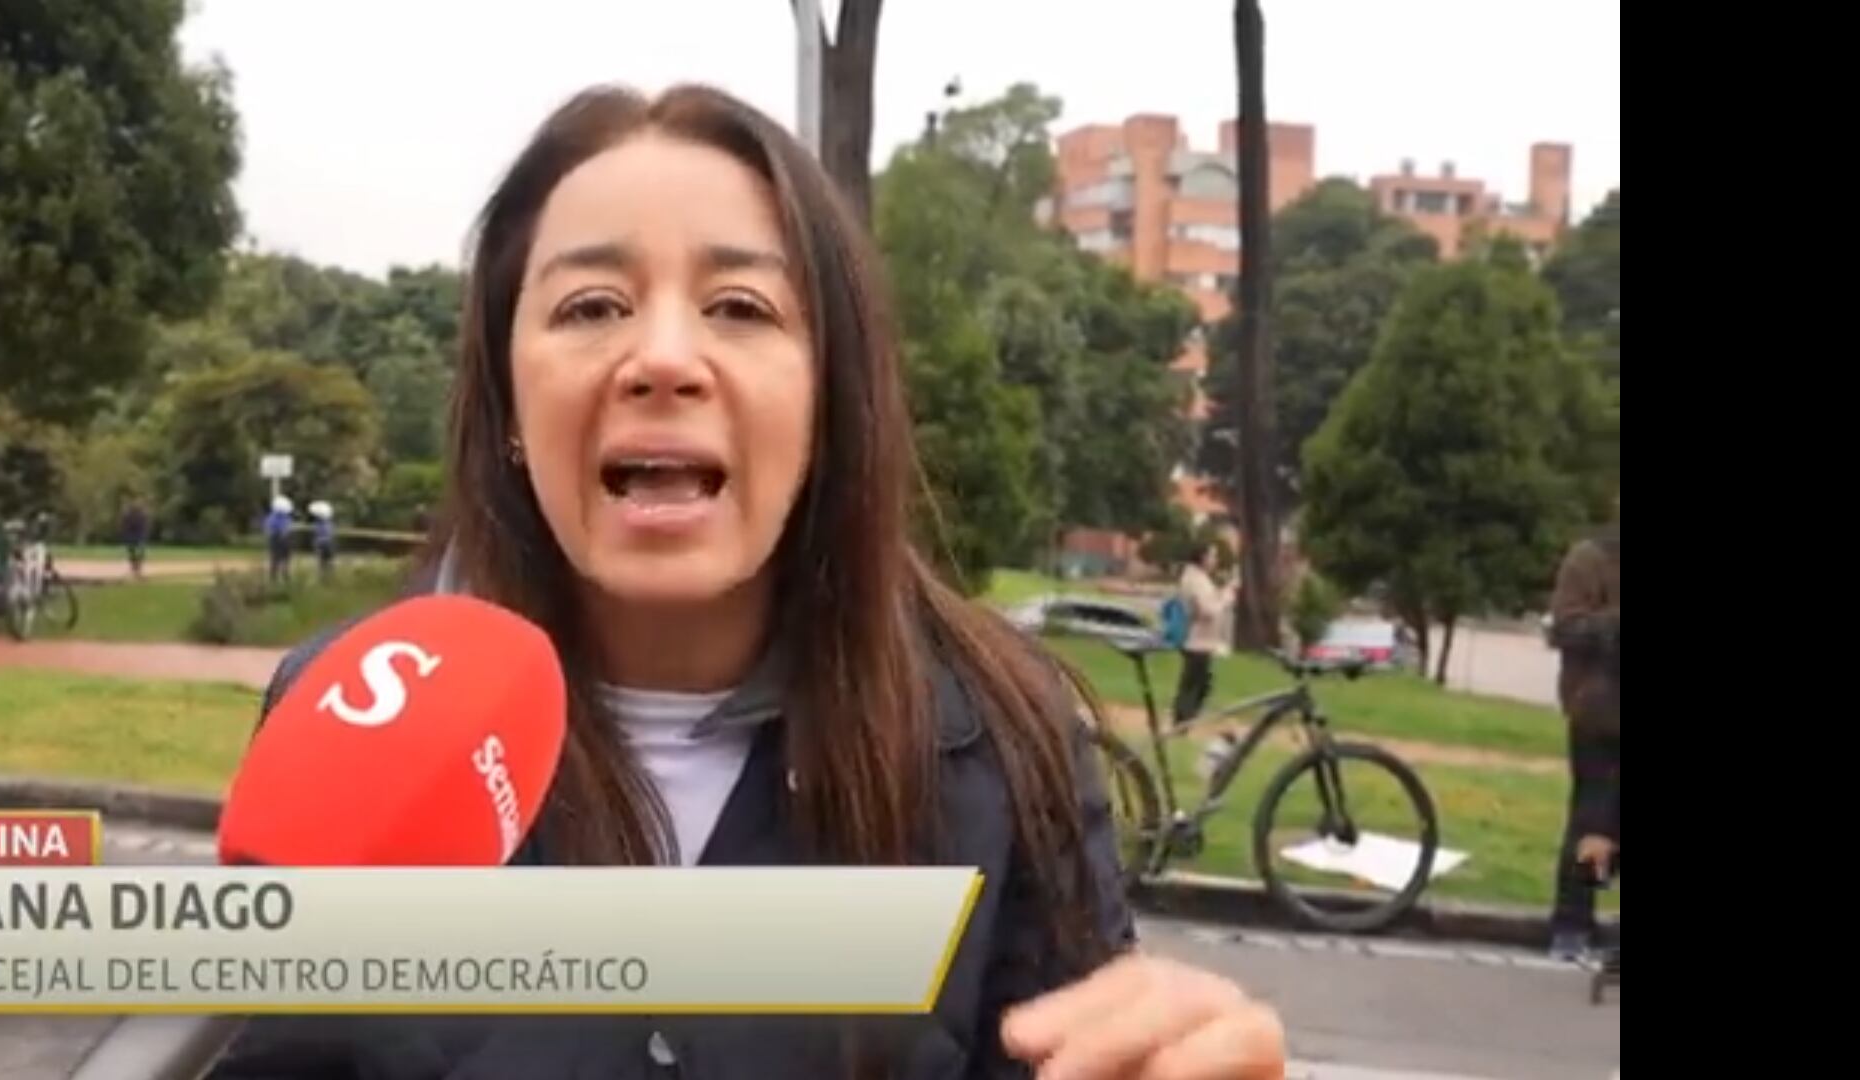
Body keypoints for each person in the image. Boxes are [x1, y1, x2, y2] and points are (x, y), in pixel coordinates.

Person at [211, 84, 1282, 1080]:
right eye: (591, 307)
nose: (663, 357)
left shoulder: (1004, 743)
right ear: (507, 412)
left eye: (740, 307)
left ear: (826, 406)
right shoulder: (354, 713)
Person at [1545, 517, 1619, 962]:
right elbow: (1565, 627)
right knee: (1593, 820)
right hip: (1599, 711)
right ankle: (1572, 922)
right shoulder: (1590, 559)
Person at [1172, 544, 1237, 727]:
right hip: (1196, 640)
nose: (1215, 560)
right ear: (1202, 557)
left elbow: (1209, 599)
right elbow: (1206, 610)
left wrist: (1224, 591)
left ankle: (1185, 718)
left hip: (1203, 640)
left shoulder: (1199, 578)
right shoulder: (1194, 579)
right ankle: (1182, 721)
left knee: (1198, 682)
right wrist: (1226, 598)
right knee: (1194, 684)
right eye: (1212, 556)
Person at [263, 495, 295, 585]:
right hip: (278, 539)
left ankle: (281, 578)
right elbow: (281, 529)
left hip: (280, 539)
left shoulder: (274, 517)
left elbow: (268, 529)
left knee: (281, 560)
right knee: (277, 560)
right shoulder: (276, 518)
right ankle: (276, 578)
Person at [121, 500, 151, 580]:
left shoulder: (141, 516)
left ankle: (137, 566)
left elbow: (144, 525)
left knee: (141, 550)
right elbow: (125, 525)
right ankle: (134, 566)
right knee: (132, 550)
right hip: (132, 535)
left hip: (138, 535)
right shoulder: (129, 515)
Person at [310, 501, 337, 581]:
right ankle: (328, 578)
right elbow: (330, 534)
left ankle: (324, 578)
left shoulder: (319, 524)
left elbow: (318, 534)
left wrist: (317, 542)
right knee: (328, 562)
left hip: (323, 544)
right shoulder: (328, 523)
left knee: (322, 563)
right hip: (327, 544)